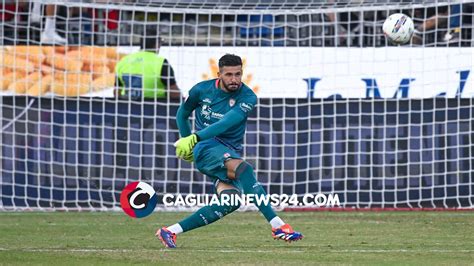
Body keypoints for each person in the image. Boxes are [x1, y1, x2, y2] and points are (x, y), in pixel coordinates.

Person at [155, 54, 303, 248]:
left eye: (238, 74)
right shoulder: (201, 90)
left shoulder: (248, 96)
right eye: (229, 74)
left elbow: (227, 122)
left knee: (230, 202)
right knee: (245, 169)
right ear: (219, 74)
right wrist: (188, 141)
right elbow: (182, 115)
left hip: (227, 151)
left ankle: (170, 231)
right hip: (206, 147)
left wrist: (194, 138)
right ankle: (278, 226)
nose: (234, 79)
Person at [114, 37, 181, 100]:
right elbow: (174, 93)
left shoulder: (123, 61)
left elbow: (116, 91)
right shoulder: (161, 62)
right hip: (155, 108)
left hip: (127, 108)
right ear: (156, 45)